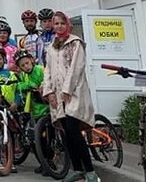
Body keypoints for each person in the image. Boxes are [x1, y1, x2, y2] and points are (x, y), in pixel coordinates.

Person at [43, 11, 98, 182]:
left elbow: (76, 68)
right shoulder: (51, 46)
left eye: (62, 23)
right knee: (66, 133)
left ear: (68, 25)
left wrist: (66, 90)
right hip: (58, 95)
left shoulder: (75, 43)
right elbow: (48, 70)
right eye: (56, 23)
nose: (59, 26)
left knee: (74, 131)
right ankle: (77, 169)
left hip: (74, 92)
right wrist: (49, 91)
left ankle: (90, 171)